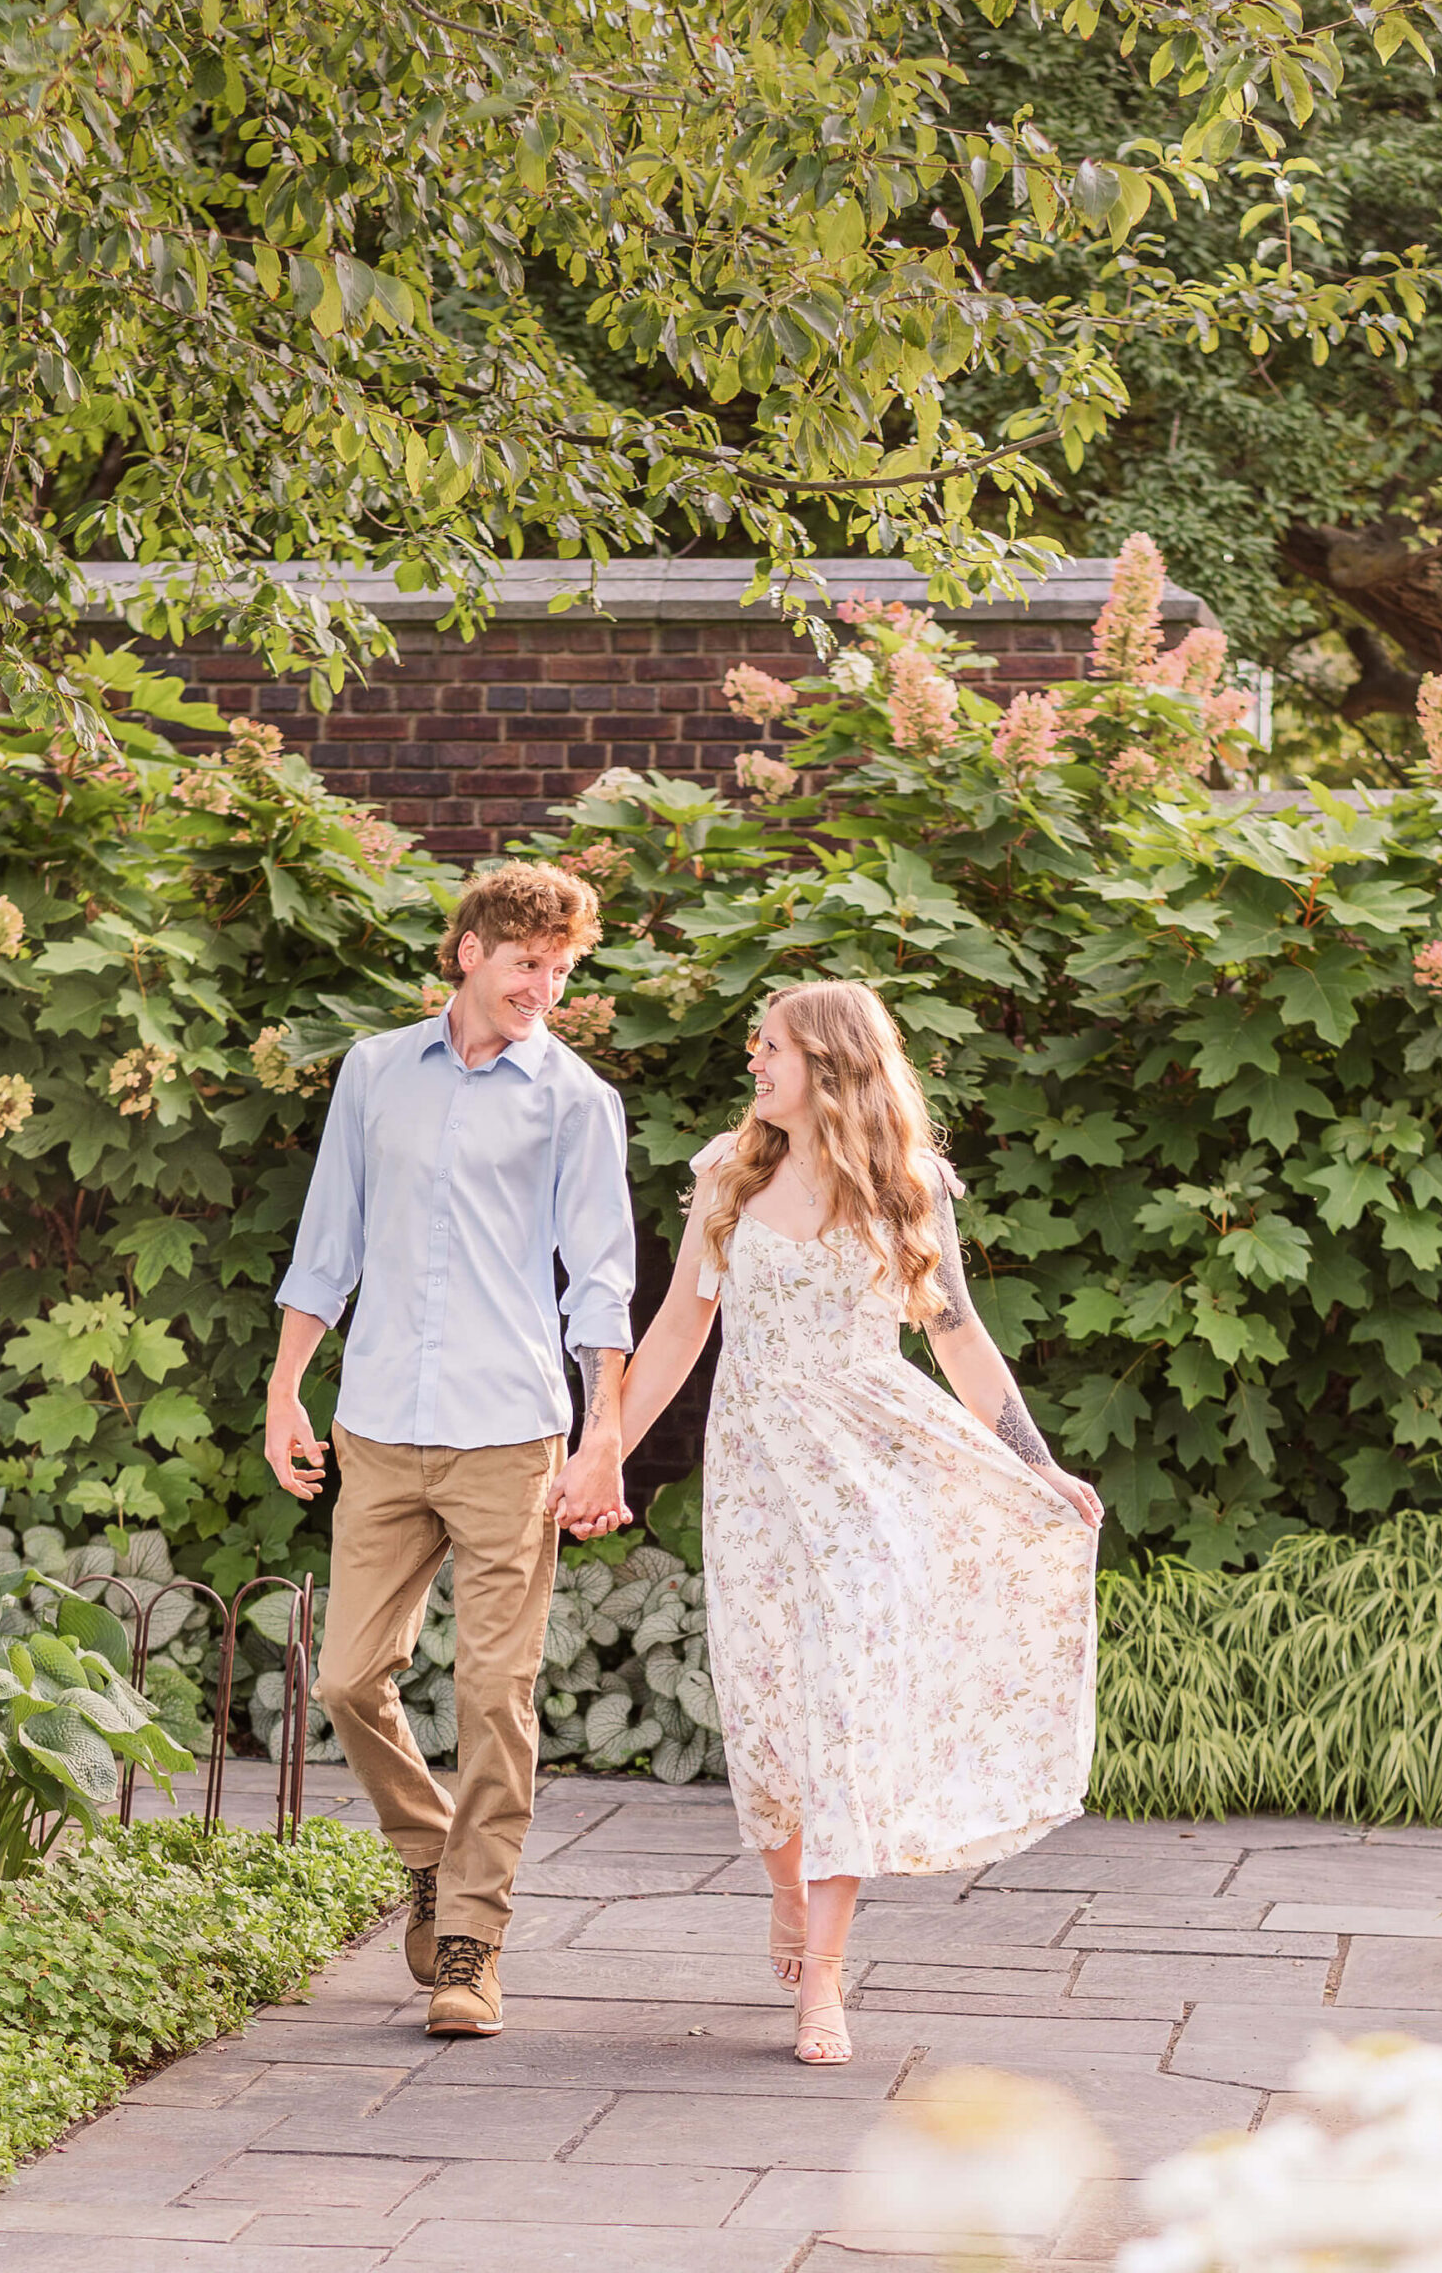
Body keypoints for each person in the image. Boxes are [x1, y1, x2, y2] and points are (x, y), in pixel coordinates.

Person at [551, 979, 1100, 2066]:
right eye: (754, 1047)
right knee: (765, 1711)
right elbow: (671, 1338)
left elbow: (956, 1339)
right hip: (755, 1476)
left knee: (844, 1702)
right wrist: (597, 1449)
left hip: (873, 1471)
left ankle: (826, 1986)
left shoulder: (906, 1186)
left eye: (771, 1048)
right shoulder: (726, 1175)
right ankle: (787, 1896)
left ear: (831, 1062)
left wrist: (1036, 1464)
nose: (754, 1063)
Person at [265, 861, 635, 2039]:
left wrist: (603, 1436)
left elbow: (604, 1282)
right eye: (528, 962)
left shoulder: (573, 1097)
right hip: (376, 1424)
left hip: (508, 1432)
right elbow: (328, 1244)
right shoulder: (375, 1073)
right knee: (344, 1678)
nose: (545, 986)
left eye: (561, 970)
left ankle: (469, 1938)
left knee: (493, 1688)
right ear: (469, 950)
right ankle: (432, 1850)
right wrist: (285, 1389)